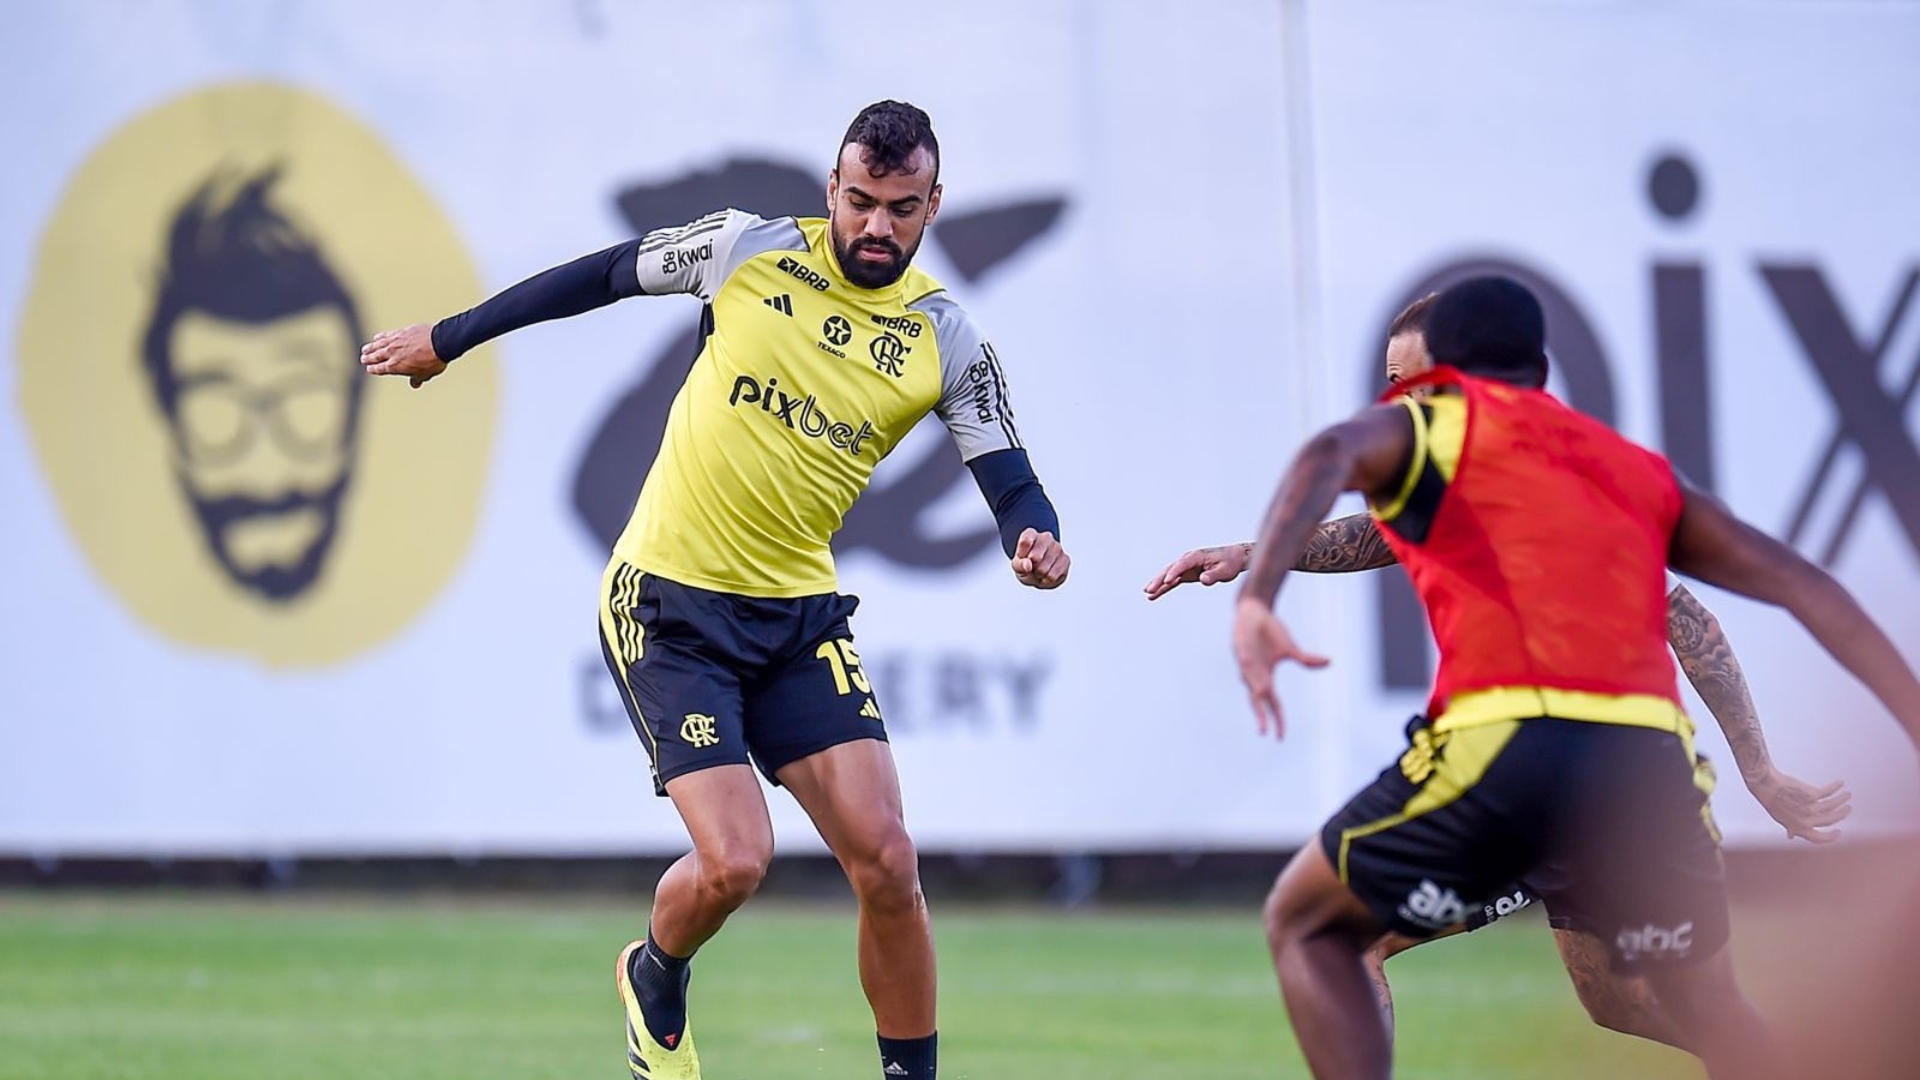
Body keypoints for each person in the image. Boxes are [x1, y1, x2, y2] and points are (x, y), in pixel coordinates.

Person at [359, 100, 1070, 1080]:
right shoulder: (745, 249)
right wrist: (452, 335)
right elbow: (603, 275)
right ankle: (655, 973)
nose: (876, 226)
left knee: (891, 866)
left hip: (795, 619)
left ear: (934, 205)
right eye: (860, 201)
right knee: (738, 860)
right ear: (831, 189)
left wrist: (1036, 538)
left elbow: (1012, 478)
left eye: (900, 209)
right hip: (668, 606)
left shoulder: (944, 339)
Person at [1229, 276, 1920, 1079]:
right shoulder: (1626, 470)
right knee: (1687, 1006)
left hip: (1507, 746)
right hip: (1647, 769)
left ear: (1441, 371)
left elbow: (1329, 454)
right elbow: (1806, 590)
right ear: (1543, 369)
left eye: (1404, 382)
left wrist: (1258, 597)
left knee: (1311, 924)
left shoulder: (1435, 429)